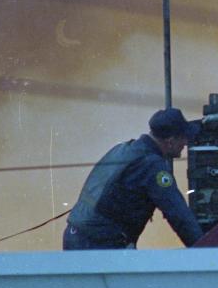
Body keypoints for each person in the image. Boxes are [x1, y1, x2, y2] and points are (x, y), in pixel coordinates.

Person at [62, 107, 203, 249]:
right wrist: (206, 251)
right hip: (99, 244)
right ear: (170, 141)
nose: (185, 143)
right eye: (184, 138)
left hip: (75, 235)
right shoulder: (152, 165)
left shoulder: (123, 149)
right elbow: (178, 214)